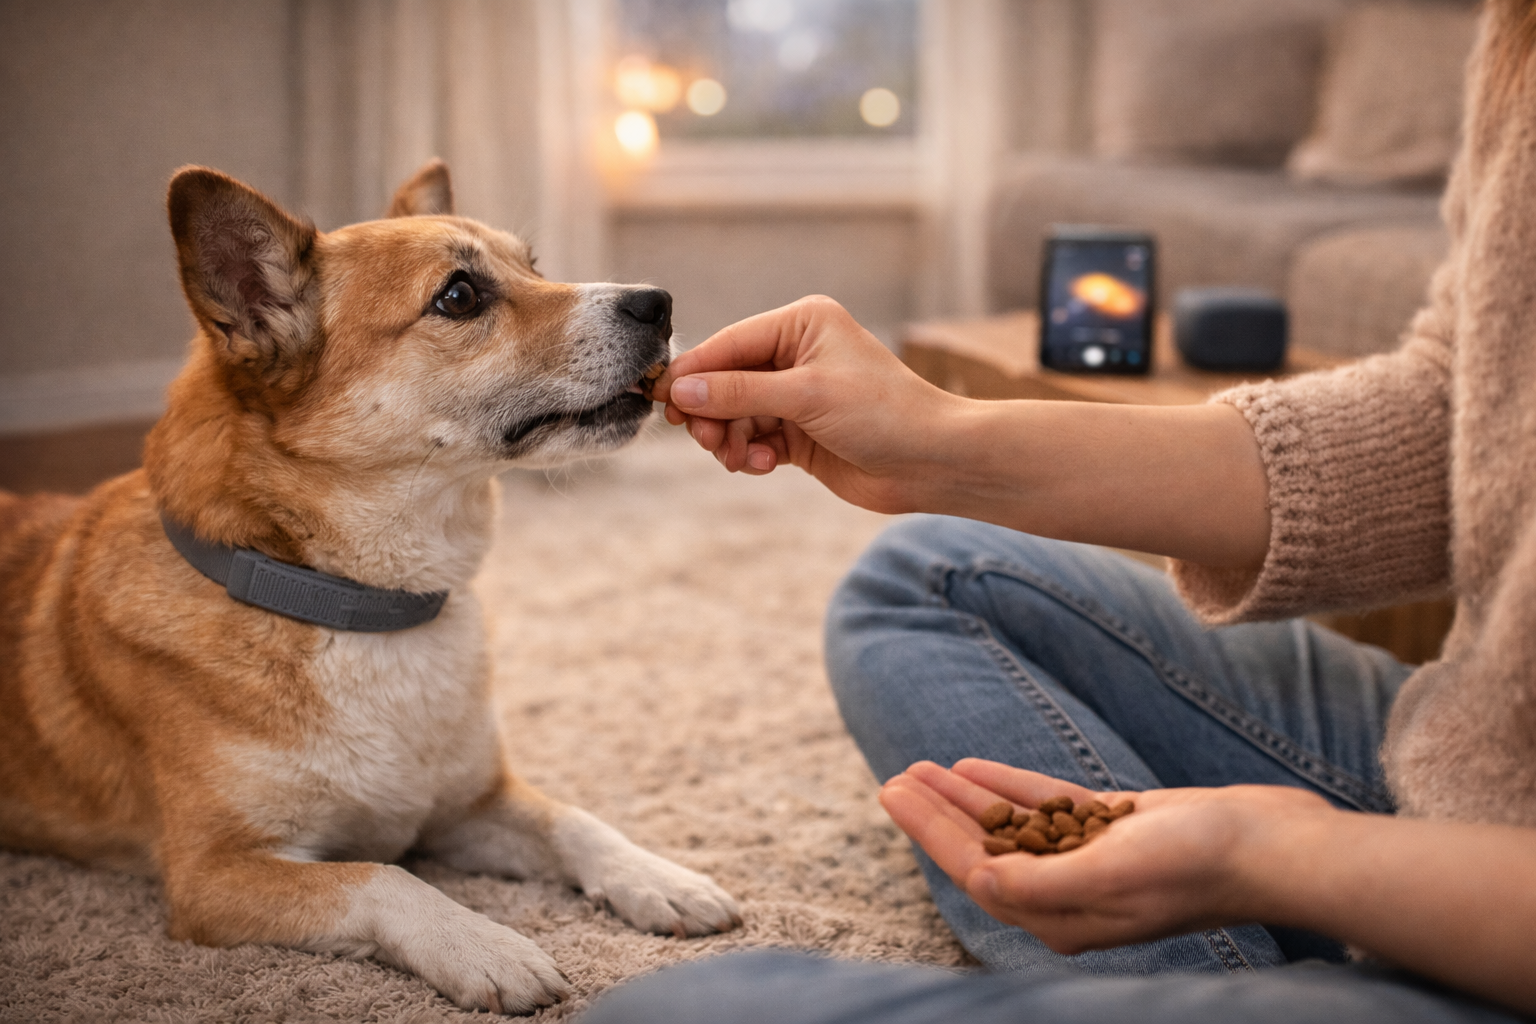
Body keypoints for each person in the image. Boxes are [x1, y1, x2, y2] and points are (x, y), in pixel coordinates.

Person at [582, 3, 1536, 1021]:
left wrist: (1277, 854)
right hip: (1485, 770)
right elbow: (1463, 413)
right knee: (929, 572)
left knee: (669, 1010)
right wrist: (936, 440)